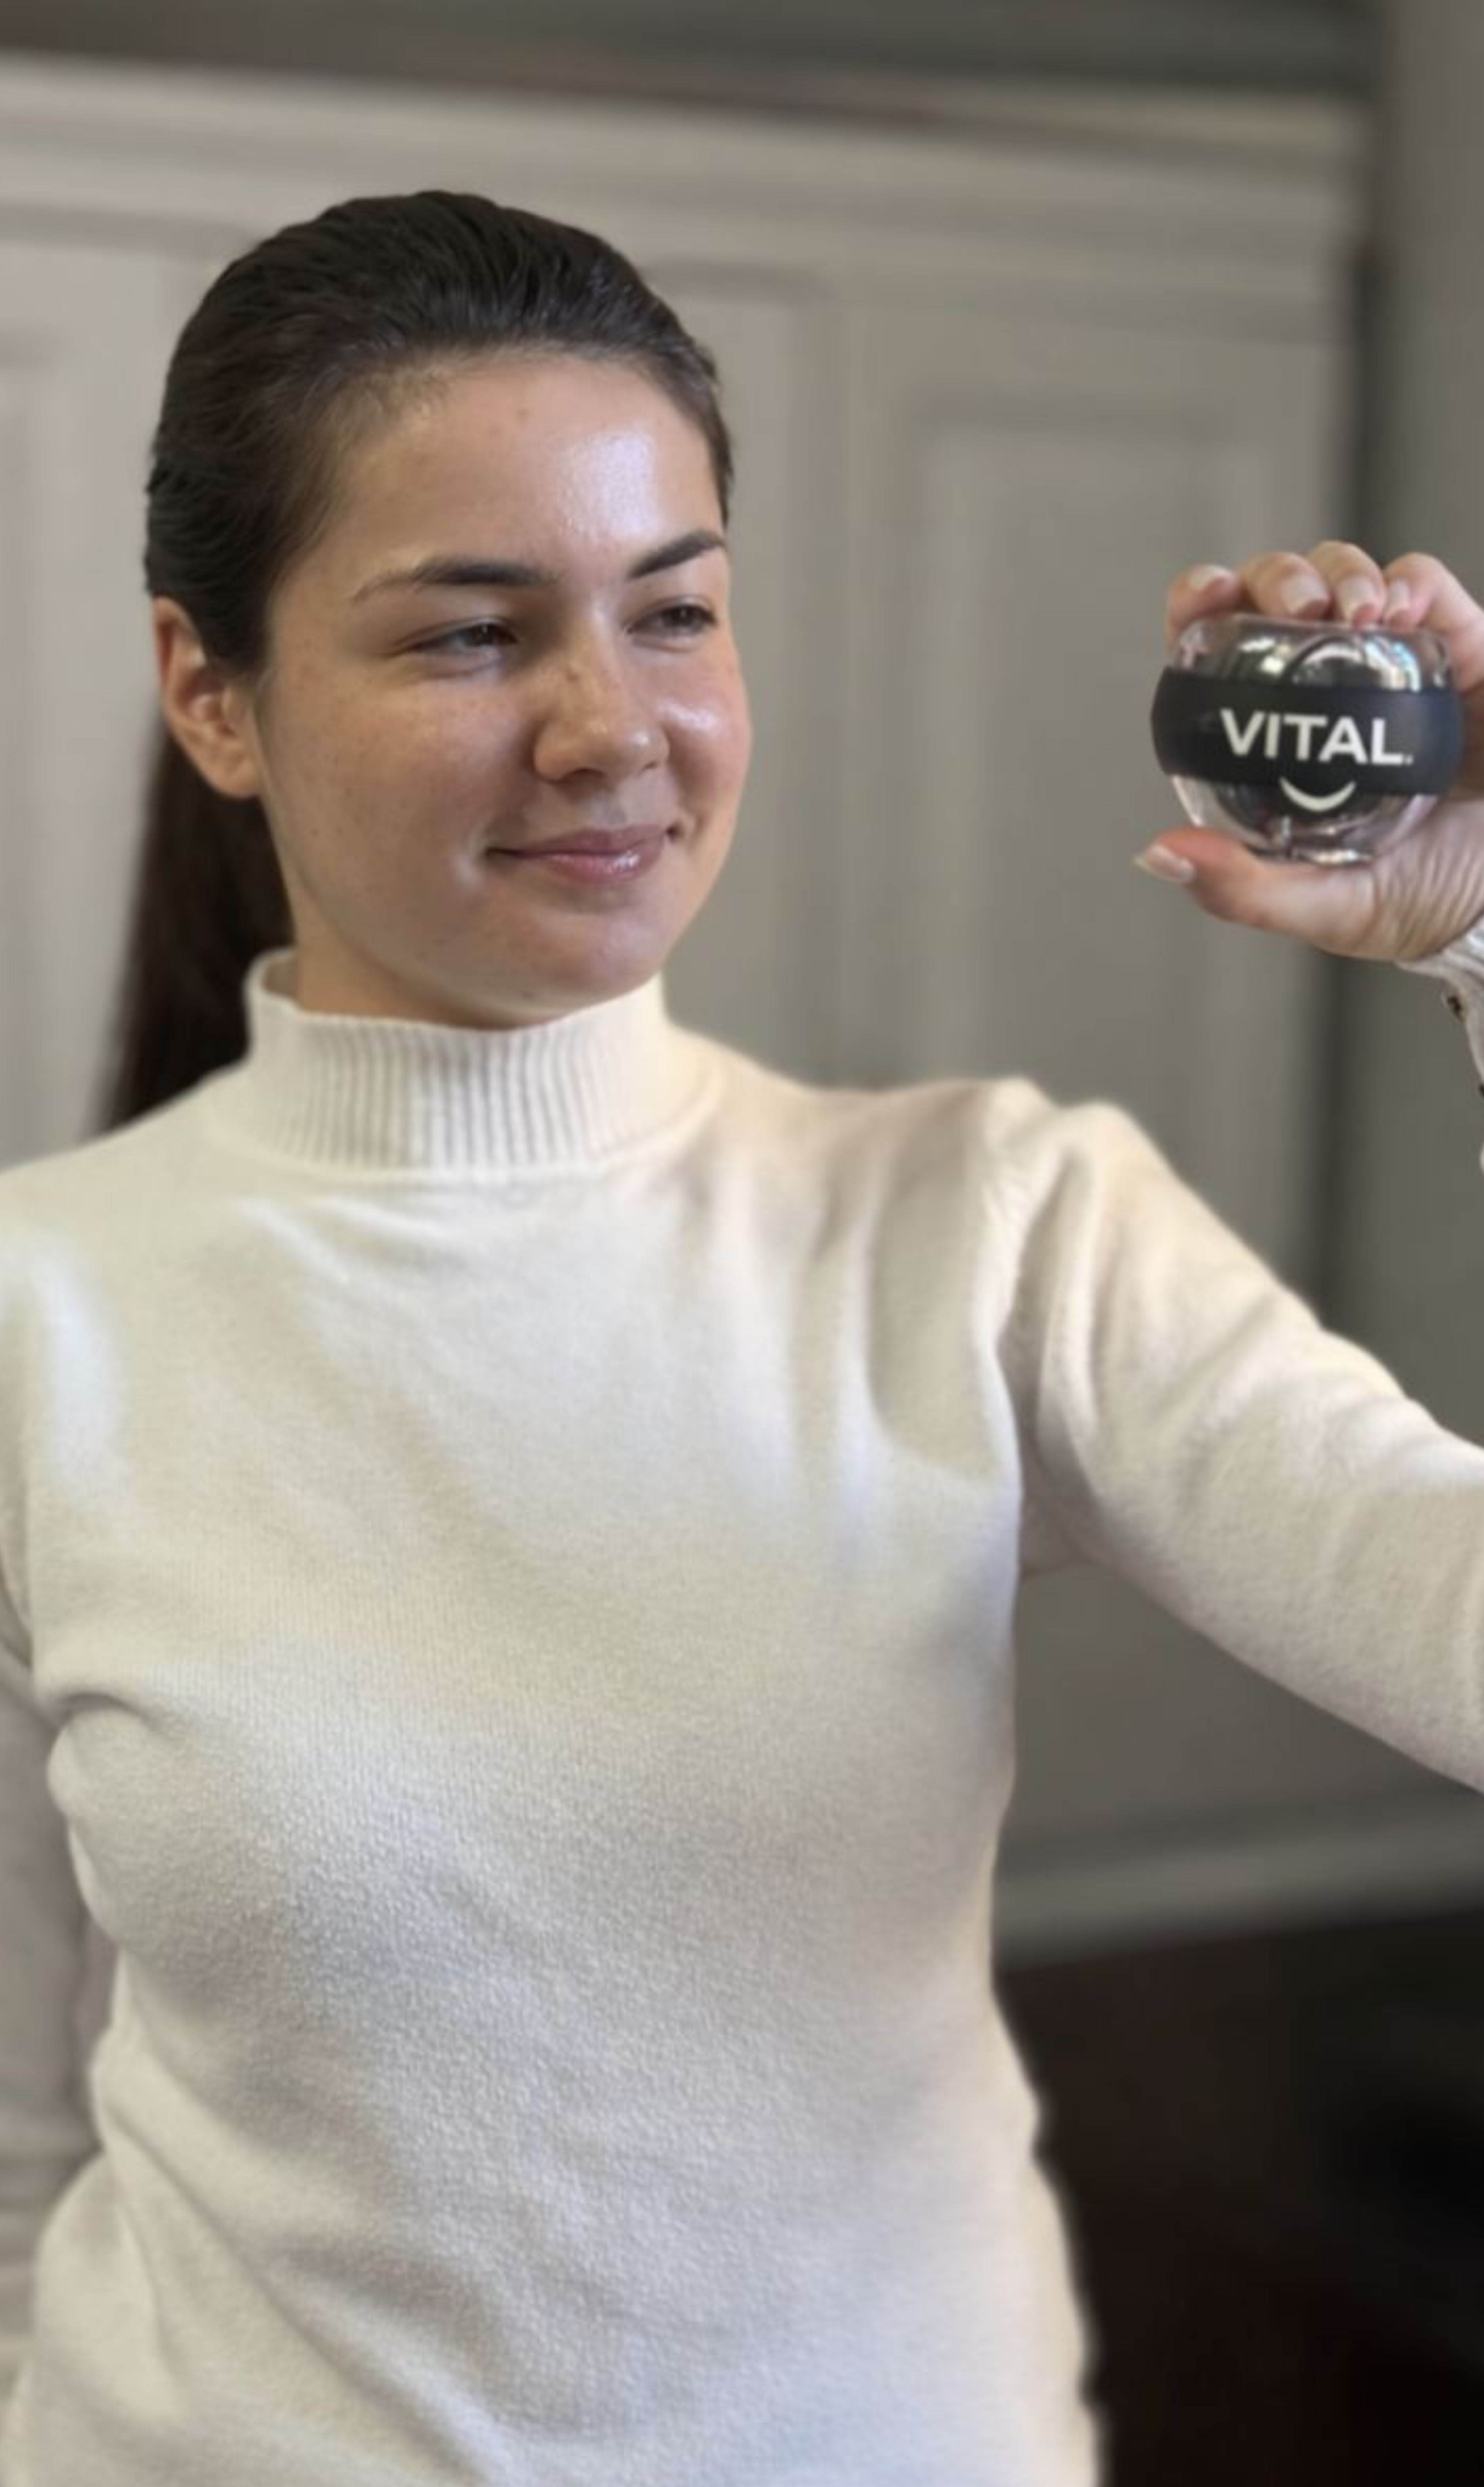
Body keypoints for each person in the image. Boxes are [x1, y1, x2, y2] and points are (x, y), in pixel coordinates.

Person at [1, 189, 1483, 2487]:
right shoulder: (40, 1322)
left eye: (672, 610)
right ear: (214, 689)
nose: (614, 727)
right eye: (474, 635)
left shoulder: (990, 1224)